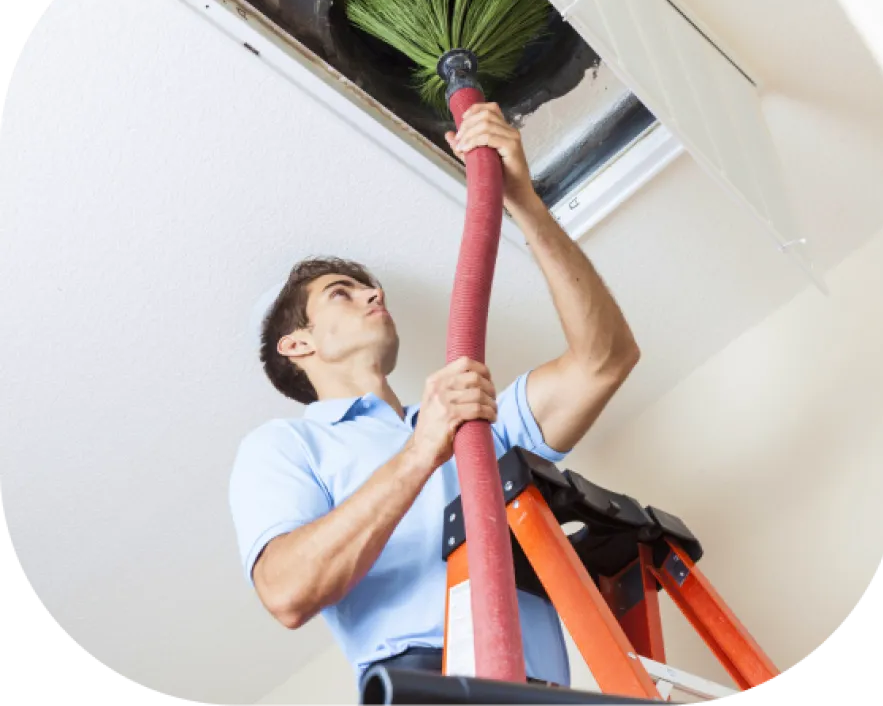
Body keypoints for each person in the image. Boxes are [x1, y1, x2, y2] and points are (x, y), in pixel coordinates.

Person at [229, 103, 641, 689]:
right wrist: (422, 451)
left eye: (370, 288)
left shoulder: (473, 420)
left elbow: (605, 359)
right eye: (343, 293)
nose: (373, 295)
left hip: (539, 690)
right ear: (297, 344)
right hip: (427, 687)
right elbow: (286, 591)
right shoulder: (287, 446)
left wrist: (523, 201)